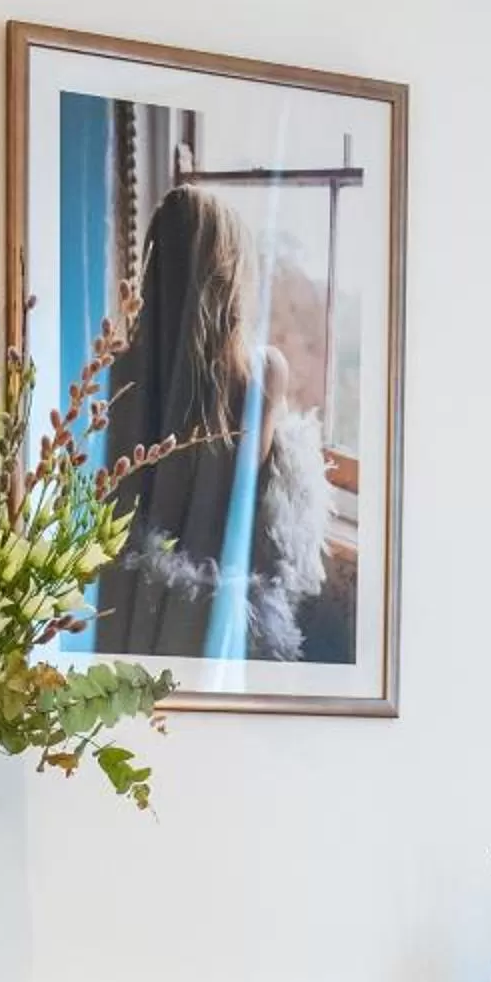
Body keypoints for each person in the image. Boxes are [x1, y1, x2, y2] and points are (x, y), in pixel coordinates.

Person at [96, 183, 331, 663]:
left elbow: (121, 508)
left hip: (135, 605)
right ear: (229, 277)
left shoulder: (120, 369)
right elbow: (250, 502)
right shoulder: (263, 374)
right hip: (223, 618)